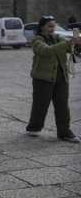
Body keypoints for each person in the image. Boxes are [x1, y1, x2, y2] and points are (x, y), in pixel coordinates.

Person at [26, 15, 81, 143]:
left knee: (62, 106)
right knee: (40, 105)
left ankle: (65, 132)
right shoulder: (37, 40)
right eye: (49, 26)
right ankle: (34, 127)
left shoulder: (58, 38)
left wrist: (75, 43)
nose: (52, 28)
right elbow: (46, 51)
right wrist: (67, 43)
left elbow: (69, 48)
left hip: (61, 77)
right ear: (42, 27)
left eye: (53, 26)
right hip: (42, 78)